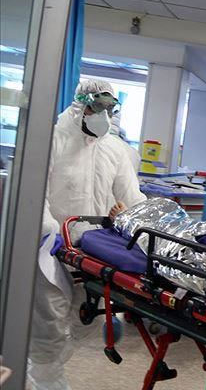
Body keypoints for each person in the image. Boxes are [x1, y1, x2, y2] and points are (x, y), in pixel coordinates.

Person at [28, 79, 147, 390]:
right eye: (98, 107)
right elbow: (35, 192)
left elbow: (132, 198)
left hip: (94, 249)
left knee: (86, 318)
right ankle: (45, 380)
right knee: (49, 319)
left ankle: (46, 369)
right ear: (81, 104)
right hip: (51, 246)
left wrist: (148, 227)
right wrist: (47, 230)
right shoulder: (53, 141)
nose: (103, 115)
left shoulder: (115, 150)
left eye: (110, 108)